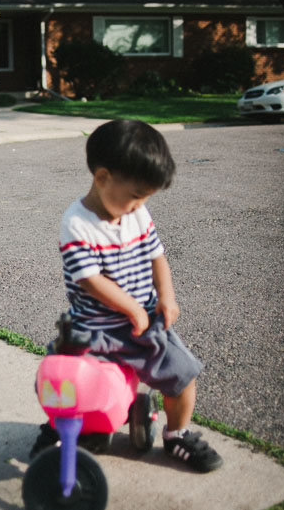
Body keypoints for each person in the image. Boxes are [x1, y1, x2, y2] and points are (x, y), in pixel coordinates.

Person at [45, 119, 223, 473]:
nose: (138, 204)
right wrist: (130, 307)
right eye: (135, 195)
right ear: (102, 178)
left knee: (182, 375)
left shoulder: (137, 214)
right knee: (65, 380)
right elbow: (91, 281)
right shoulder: (77, 223)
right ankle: (65, 428)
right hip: (95, 328)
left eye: (145, 198)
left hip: (143, 325)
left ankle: (177, 435)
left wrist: (166, 296)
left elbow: (158, 257)